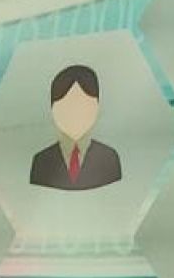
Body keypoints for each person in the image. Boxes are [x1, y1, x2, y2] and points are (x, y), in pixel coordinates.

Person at [28, 64, 123, 192]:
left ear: (97, 108)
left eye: (83, 106)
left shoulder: (109, 158)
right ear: (53, 110)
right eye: (66, 107)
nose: (75, 114)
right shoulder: (41, 161)